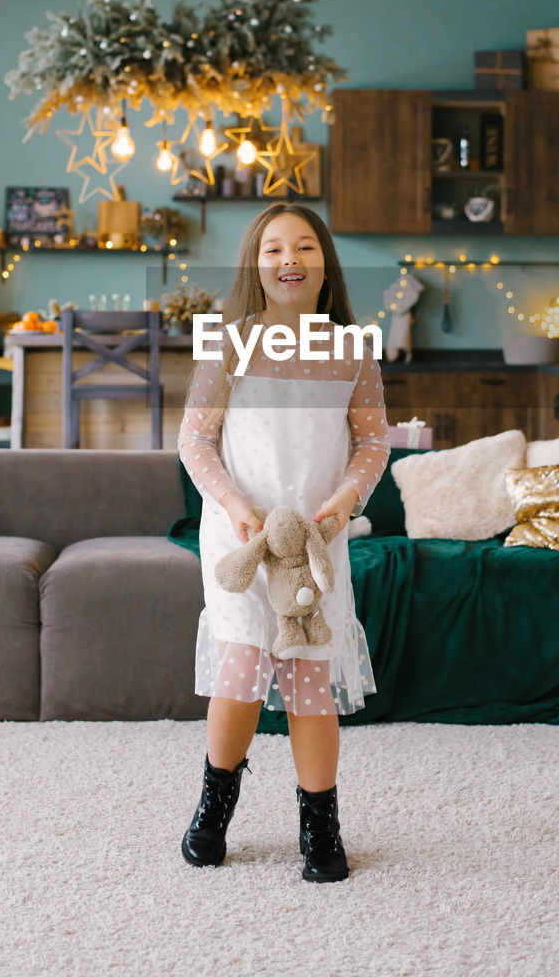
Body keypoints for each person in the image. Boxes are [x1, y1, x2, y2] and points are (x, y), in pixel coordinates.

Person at [177, 203, 390, 881]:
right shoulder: (229, 344)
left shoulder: (353, 352)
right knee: (242, 672)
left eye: (303, 246)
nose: (289, 258)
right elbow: (196, 440)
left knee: (308, 680)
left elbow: (374, 442)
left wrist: (345, 500)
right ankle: (215, 803)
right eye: (273, 249)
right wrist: (237, 505)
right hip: (241, 541)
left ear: (325, 264)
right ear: (256, 265)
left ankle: (319, 824)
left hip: (315, 545)